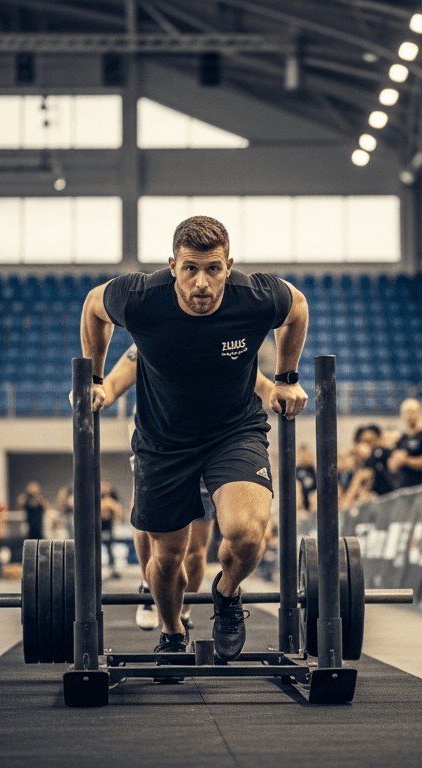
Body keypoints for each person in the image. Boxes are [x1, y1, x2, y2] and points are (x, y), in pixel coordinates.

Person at [79, 215, 309, 666]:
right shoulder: (143, 300)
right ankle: (171, 631)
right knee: (169, 560)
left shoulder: (256, 295)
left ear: (229, 266)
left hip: (234, 432)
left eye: (213, 269)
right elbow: (93, 306)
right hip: (163, 442)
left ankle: (226, 596)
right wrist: (94, 378)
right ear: (172, 266)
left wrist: (285, 378)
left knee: (245, 536)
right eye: (190, 269)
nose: (201, 283)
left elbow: (297, 306)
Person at [99, 343, 280, 632]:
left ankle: (183, 609)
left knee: (196, 550)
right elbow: (113, 381)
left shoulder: (227, 336)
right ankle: (151, 586)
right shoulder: (156, 333)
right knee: (156, 536)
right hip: (162, 443)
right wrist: (96, 390)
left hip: (217, 446)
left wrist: (284, 388)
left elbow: (256, 381)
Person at [387, 399, 422, 490]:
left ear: (419, 412)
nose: (409, 416)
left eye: (411, 412)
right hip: (402, 488)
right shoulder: (402, 438)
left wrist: (407, 460)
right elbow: (391, 466)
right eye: (406, 413)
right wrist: (396, 461)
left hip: (419, 487)